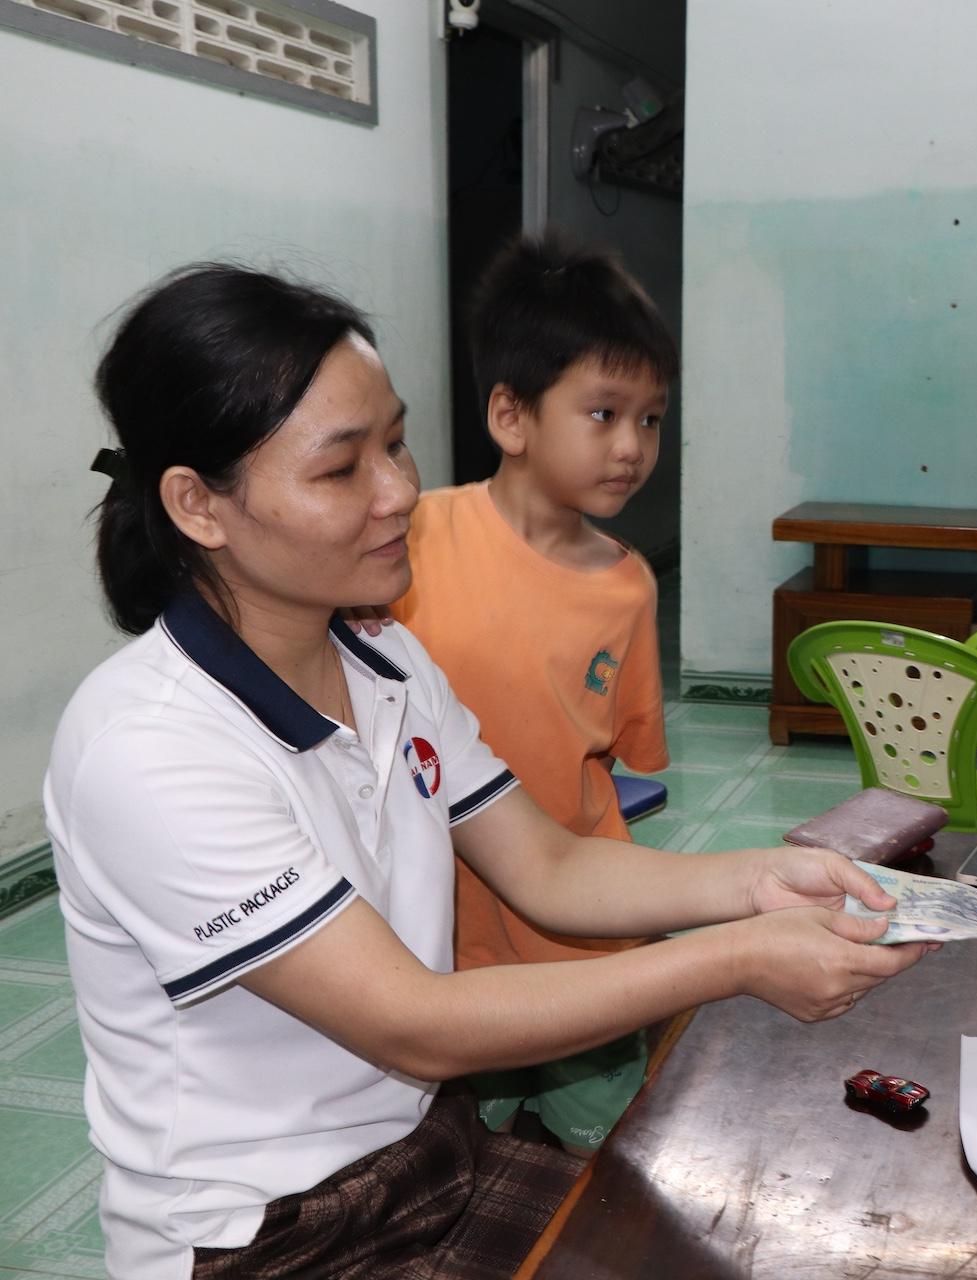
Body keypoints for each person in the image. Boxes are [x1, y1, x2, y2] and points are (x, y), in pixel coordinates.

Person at [44, 264, 929, 1279]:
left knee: (733, 1250)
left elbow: (547, 863)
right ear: (199, 504)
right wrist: (736, 957)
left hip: (429, 1151)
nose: (400, 490)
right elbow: (411, 1022)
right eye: (343, 469)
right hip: (266, 1236)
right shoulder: (148, 745)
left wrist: (759, 880)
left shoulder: (385, 657)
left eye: (396, 439)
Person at [370, 234, 678, 1153]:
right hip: (445, 932)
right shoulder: (409, 541)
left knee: (610, 1152)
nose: (632, 447)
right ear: (511, 414)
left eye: (652, 419)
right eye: (603, 413)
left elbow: (617, 767)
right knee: (468, 1146)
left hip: (582, 940)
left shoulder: (628, 585)